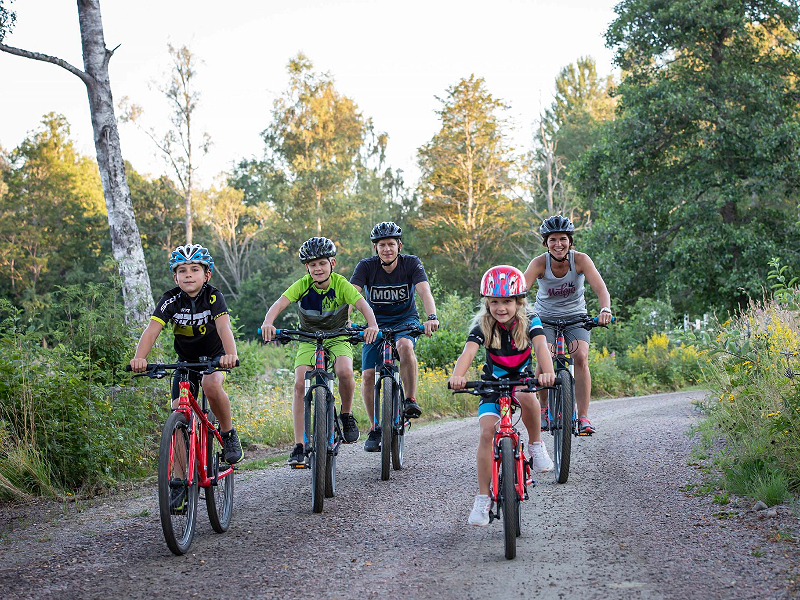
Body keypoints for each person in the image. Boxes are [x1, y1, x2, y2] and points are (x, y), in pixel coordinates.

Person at [448, 265, 555, 527]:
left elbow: (541, 346)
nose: (501, 308)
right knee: (486, 433)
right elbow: (468, 352)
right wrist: (458, 376)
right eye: (494, 302)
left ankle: (536, 445)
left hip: (521, 378)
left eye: (507, 301)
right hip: (492, 383)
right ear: (487, 303)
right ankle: (483, 497)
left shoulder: (531, 319)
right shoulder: (483, 324)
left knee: (528, 396)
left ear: (519, 301)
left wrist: (548, 372)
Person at [261, 237, 379, 467]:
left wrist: (372, 325)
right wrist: (268, 322)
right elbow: (279, 304)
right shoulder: (302, 284)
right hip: (309, 338)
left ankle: (345, 414)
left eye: (322, 263)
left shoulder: (341, 283)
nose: (317, 268)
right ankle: (299, 444)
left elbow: (363, 305)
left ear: (332, 263)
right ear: (307, 267)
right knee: (299, 383)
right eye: (312, 264)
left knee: (345, 371)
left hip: (338, 336)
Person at [130, 244, 243, 475]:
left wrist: (230, 355)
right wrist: (139, 358)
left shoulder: (214, 297)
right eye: (182, 270)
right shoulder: (170, 300)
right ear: (175, 276)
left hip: (215, 358)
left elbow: (223, 327)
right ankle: (180, 481)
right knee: (176, 411)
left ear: (207, 274)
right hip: (186, 360)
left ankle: (228, 433)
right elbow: (152, 330)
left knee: (210, 385)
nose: (188, 274)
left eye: (194, 269)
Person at [350, 221, 439, 452]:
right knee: (368, 375)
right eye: (382, 245)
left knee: (404, 346)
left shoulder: (411, 263)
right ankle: (374, 427)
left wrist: (431, 316)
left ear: (399, 245)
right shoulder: (366, 267)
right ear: (375, 248)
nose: (387, 249)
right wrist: (345, 319)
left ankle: (410, 399)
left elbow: (424, 291)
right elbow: (352, 296)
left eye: (391, 244)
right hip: (374, 325)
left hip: (405, 320)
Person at [523, 215, 613, 435]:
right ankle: (544, 409)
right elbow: (520, 290)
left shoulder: (581, 260)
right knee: (546, 355)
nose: (558, 244)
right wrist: (517, 313)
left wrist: (605, 310)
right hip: (545, 318)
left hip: (576, 317)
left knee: (580, 356)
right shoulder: (538, 263)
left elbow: (601, 290)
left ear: (570, 241)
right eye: (553, 239)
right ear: (546, 242)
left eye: (563, 239)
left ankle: (583, 417)